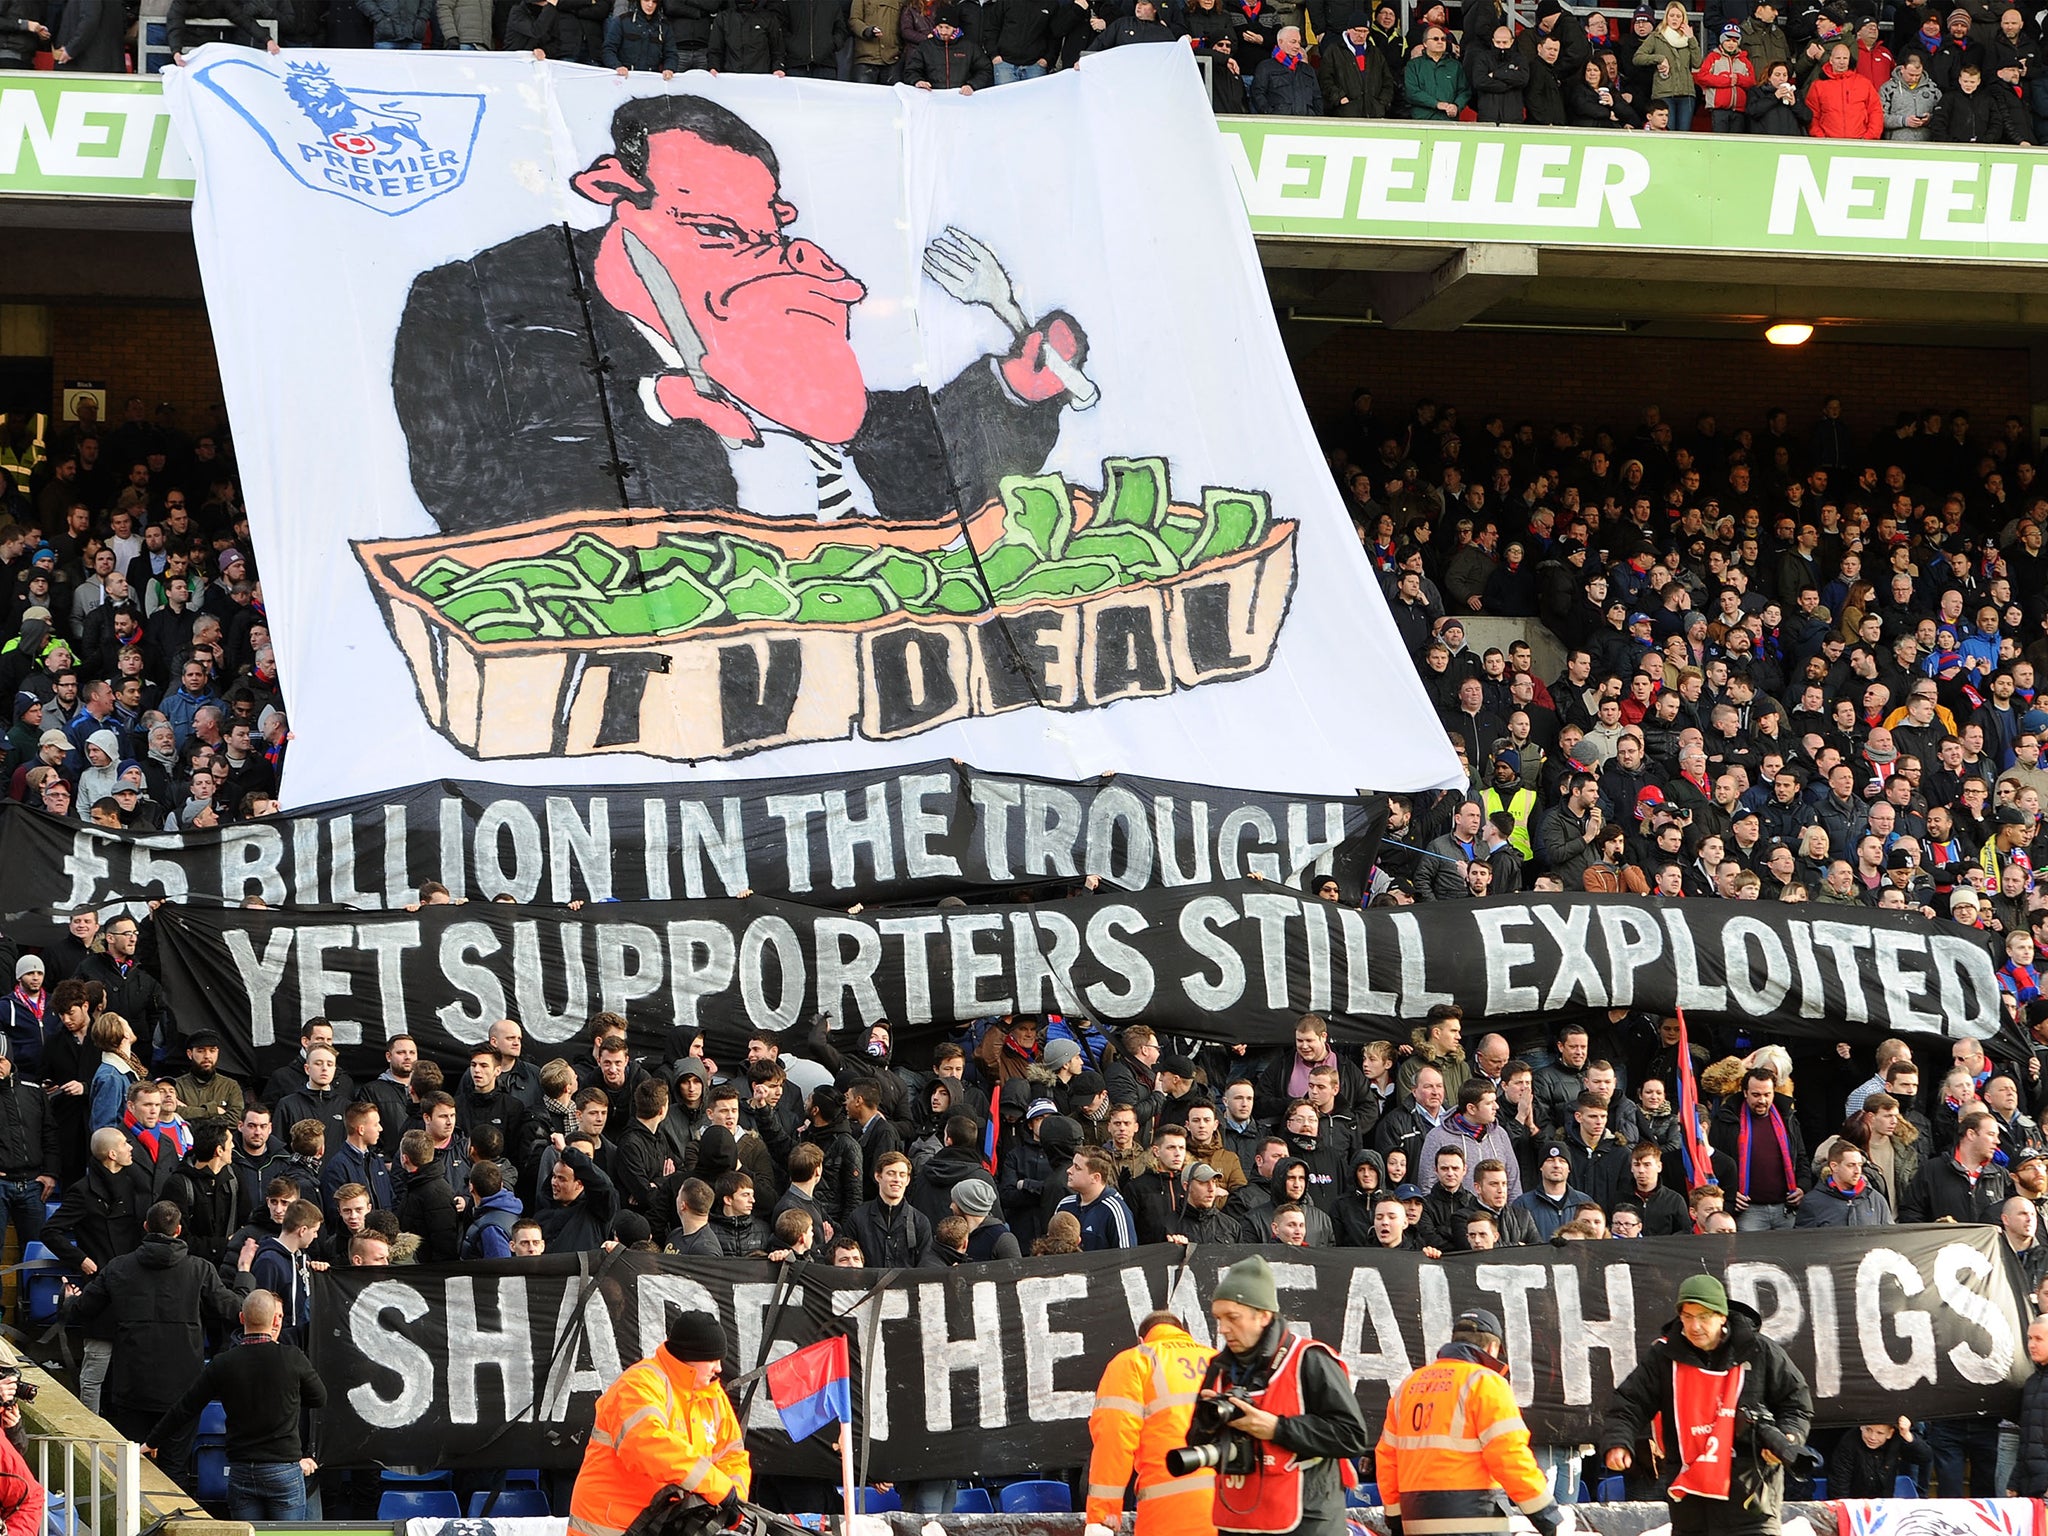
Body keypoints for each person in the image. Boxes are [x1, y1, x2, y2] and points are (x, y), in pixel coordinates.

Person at [1600, 1274, 1816, 1536]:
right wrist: (1618, 1442)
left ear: (1722, 1316)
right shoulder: (1664, 1356)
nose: (1695, 1326)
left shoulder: (1760, 1350)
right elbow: (1629, 1402)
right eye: (1688, 1316)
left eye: (1704, 1317)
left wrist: (1789, 1435)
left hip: (1752, 1499)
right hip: (1691, 1503)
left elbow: (1796, 1404)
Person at [65, 1200, 247, 1489]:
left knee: (132, 1469)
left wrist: (68, 1299)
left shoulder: (118, 1268)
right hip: (182, 1390)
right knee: (175, 1469)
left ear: (146, 1227)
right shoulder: (200, 1269)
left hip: (132, 1386)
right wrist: (245, 1274)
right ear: (178, 1230)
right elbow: (235, 1311)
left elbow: (80, 1311)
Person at [1199, 1255, 1370, 1536]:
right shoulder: (1219, 1368)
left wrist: (1277, 1429)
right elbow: (1195, 1439)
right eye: (1218, 1318)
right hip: (1238, 1519)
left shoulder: (1310, 1359)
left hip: (1308, 1519)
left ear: (1263, 1315)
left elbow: (1351, 1436)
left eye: (1233, 1317)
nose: (1223, 1328)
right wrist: (1207, 1424)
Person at [1377, 1308, 1563, 1536]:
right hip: (1475, 1522)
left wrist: (1396, 1519)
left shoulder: (1409, 1386)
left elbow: (1387, 1458)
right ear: (1493, 1348)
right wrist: (1547, 1517)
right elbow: (1509, 1456)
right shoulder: (1486, 1383)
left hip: (1416, 1521)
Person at [146, 1290, 324, 1522]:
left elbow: (185, 1407)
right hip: (283, 1471)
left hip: (241, 1471)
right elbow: (320, 1398)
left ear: (241, 1318)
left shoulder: (223, 1363)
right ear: (274, 1321)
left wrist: (151, 1442)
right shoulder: (293, 1357)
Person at [569, 1310, 749, 1536]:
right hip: (612, 1526)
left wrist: (736, 1501)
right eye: (712, 1359)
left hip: (661, 1525)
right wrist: (719, 1489)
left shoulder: (712, 1395)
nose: (719, 1368)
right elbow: (647, 1444)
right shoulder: (639, 1384)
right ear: (689, 1356)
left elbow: (732, 1455)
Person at [1084, 1310, 1218, 1536]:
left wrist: (1102, 1518)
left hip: (1169, 1514)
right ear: (1184, 1334)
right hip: (1233, 1511)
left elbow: (1114, 1437)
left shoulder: (1134, 1361)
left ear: (1141, 1339)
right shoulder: (1218, 1359)